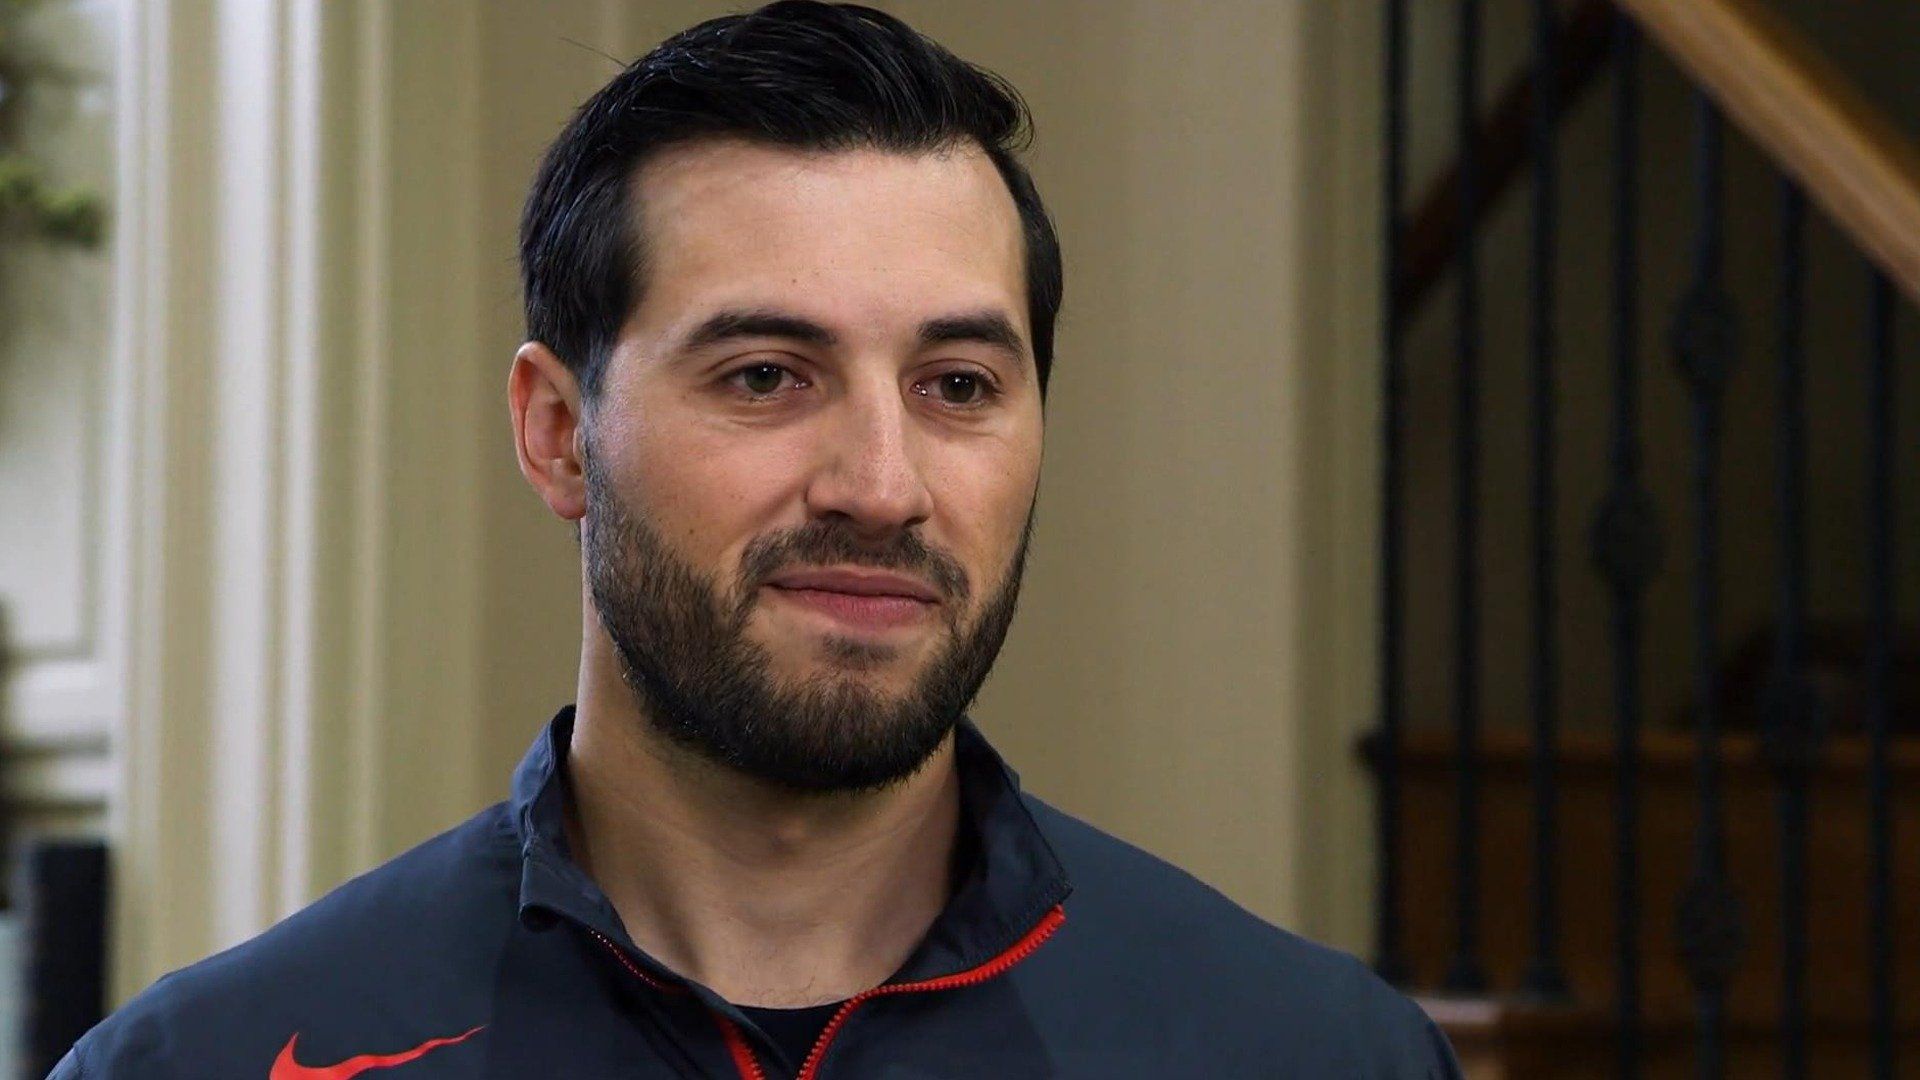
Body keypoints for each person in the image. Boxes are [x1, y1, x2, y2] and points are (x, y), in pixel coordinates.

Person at [54, 3, 1461, 1077]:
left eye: (957, 385)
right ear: (558, 434)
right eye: (768, 376)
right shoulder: (214, 1064)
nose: (882, 485)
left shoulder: (1315, 1055)